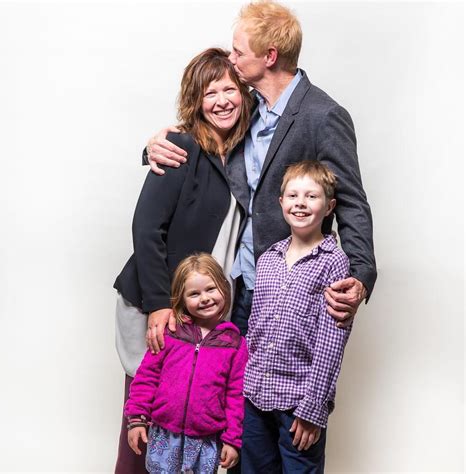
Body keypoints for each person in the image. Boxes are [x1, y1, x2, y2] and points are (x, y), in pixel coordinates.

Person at [144, 0, 377, 354]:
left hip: (289, 288)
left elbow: (350, 201)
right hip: (234, 284)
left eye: (238, 52)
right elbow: (202, 138)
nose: (231, 58)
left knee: (284, 382)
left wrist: (360, 275)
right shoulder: (245, 108)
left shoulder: (323, 115)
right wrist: (153, 147)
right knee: (226, 385)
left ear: (269, 56)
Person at [113, 48, 253, 473]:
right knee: (145, 416)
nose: (222, 101)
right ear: (196, 101)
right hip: (155, 300)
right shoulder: (181, 147)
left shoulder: (243, 153)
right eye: (210, 93)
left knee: (187, 417)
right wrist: (160, 305)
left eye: (229, 89)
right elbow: (145, 228)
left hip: (201, 304)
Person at [242, 160, 351, 473]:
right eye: (293, 195)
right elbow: (255, 328)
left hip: (299, 401)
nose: (300, 203)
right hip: (255, 395)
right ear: (281, 202)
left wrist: (313, 408)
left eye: (311, 196)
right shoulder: (268, 259)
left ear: (329, 207)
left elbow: (331, 343)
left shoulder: (334, 262)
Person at [125, 253, 248, 473]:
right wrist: (137, 418)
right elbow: (147, 377)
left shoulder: (235, 344)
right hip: (164, 434)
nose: (205, 298)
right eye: (194, 293)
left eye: (211, 289)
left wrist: (232, 439)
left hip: (205, 440)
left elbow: (235, 395)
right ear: (181, 298)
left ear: (224, 287)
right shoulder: (170, 333)